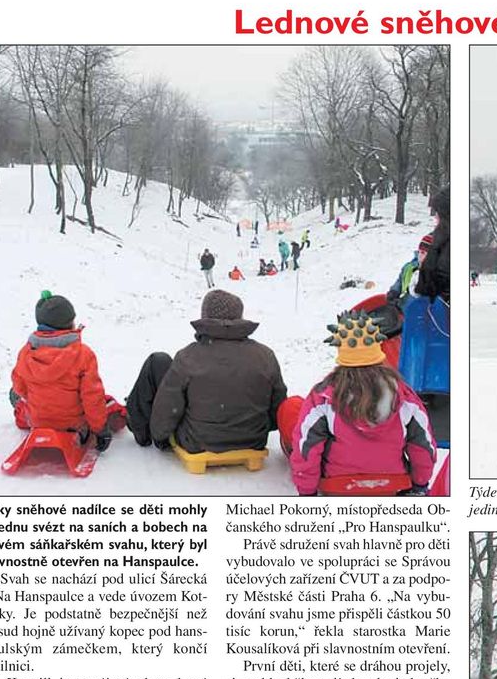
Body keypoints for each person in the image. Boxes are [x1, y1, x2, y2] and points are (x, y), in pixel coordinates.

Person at [288, 313, 436, 496]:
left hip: (337, 486)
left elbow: (307, 447)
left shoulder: (323, 398)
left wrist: (307, 491)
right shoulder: (403, 396)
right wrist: (420, 483)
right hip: (392, 485)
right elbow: (422, 445)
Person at [146, 289, 287, 455]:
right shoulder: (266, 356)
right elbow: (278, 409)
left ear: (205, 316)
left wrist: (159, 435)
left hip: (198, 442)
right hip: (252, 441)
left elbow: (166, 412)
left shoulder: (188, 356)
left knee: (159, 363)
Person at [11, 292, 116, 452]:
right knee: (105, 402)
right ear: (69, 324)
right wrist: (100, 430)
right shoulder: (83, 355)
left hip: (38, 422)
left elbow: (20, 388)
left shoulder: (25, 353)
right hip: (74, 426)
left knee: (17, 395)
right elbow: (92, 398)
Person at [416, 185, 450, 304]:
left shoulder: (444, 242)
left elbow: (437, 278)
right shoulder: (440, 239)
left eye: (438, 213)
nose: (435, 216)